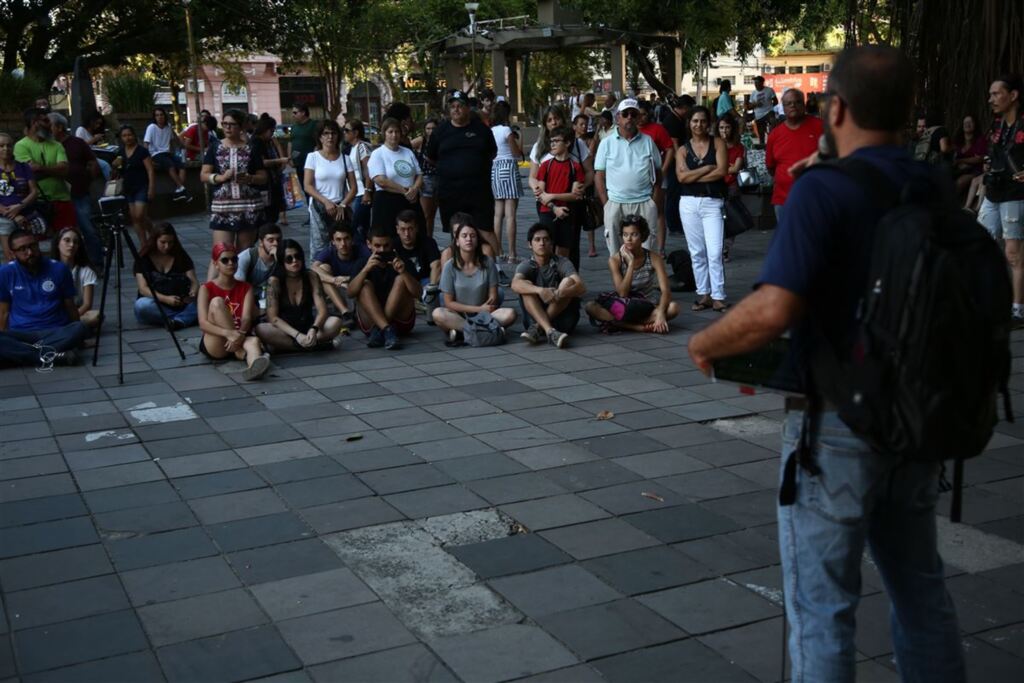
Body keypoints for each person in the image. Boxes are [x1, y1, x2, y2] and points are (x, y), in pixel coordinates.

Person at [688, 45, 968, 682]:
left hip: (838, 423)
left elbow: (773, 308)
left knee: (821, 606)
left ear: (834, 107)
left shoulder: (823, 189)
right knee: (921, 590)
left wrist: (705, 344)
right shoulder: (934, 185)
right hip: (920, 415)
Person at [425, 90, 499, 255]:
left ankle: (497, 268)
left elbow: (492, 153)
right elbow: (431, 158)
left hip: (479, 192)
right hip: (450, 192)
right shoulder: (440, 132)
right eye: (453, 106)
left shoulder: (482, 130)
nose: (456, 109)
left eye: (460, 106)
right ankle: (460, 267)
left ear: (468, 109)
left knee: (485, 230)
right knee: (457, 231)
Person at [0, 229, 87, 367]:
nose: (30, 252)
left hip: (54, 330)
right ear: (12, 253)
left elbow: (70, 306)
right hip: (22, 333)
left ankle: (21, 354)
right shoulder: (5, 273)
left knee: (79, 328)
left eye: (32, 246)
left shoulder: (59, 269)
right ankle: (49, 357)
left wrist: (80, 340)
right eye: (22, 249)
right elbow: (4, 311)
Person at [978, 74, 1024, 326]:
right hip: (993, 192)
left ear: (1013, 95)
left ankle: (1018, 310)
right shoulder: (997, 126)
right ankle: (988, 299)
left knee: (1014, 253)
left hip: (1015, 195)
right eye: (991, 94)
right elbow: (991, 154)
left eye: (996, 94)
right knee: (980, 243)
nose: (991, 99)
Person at [201, 109, 268, 278]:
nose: (228, 128)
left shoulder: (251, 149)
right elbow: (203, 174)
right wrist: (220, 177)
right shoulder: (215, 147)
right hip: (223, 206)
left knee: (243, 253)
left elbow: (263, 176)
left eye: (232, 124)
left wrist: (250, 178)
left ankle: (238, 292)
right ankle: (210, 292)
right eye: (225, 124)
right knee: (220, 251)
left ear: (241, 127)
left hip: (248, 206)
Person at [584, 215, 679, 333]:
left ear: (642, 236)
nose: (629, 239)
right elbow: (622, 293)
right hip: (624, 307)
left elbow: (665, 291)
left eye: (634, 234)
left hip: (646, 306)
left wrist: (660, 314)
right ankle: (637, 327)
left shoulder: (654, 258)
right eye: (625, 235)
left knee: (673, 308)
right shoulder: (615, 260)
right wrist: (631, 264)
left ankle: (622, 324)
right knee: (590, 307)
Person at [678, 106, 729, 313]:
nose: (699, 125)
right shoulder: (682, 149)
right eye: (695, 121)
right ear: (689, 123)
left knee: (715, 251)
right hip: (688, 202)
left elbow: (722, 171)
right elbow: (681, 178)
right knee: (697, 251)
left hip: (712, 202)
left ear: (708, 123)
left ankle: (718, 295)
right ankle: (704, 294)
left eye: (702, 121)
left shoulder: (717, 143)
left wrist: (694, 175)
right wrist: (706, 169)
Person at [594, 99, 661, 255]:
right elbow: (599, 176)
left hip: (644, 202)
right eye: (625, 114)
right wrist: (606, 205)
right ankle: (620, 280)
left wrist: (654, 203)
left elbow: (658, 173)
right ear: (618, 118)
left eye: (633, 114)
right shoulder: (606, 143)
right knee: (616, 252)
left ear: (638, 118)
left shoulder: (648, 141)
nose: (629, 117)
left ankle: (646, 280)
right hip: (616, 203)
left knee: (647, 250)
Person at [432, 221, 516, 343]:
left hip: (485, 315)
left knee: (510, 314)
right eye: (464, 236)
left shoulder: (488, 262)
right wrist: (478, 309)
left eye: (472, 236)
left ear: (477, 240)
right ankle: (486, 331)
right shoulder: (450, 266)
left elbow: (493, 296)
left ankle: (464, 333)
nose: (469, 239)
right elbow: (449, 303)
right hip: (460, 316)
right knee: (438, 313)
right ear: (457, 241)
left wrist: (483, 310)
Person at [198, 242, 270, 380]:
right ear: (216, 264)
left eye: (234, 259)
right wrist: (229, 333)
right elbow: (203, 324)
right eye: (225, 260)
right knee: (217, 302)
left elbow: (246, 318)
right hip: (217, 339)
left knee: (253, 341)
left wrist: (239, 336)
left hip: (240, 336)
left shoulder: (246, 287)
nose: (231, 263)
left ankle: (254, 367)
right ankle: (244, 352)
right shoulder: (206, 288)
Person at [256, 239, 343, 352]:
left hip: (308, 327)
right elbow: (273, 318)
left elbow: (322, 311)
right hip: (286, 330)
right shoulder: (274, 281)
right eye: (289, 259)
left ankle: (293, 346)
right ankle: (314, 345)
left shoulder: (311, 276)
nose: (294, 261)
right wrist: (297, 335)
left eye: (298, 256)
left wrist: (314, 329)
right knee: (261, 329)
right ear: (282, 261)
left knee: (336, 322)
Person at [511, 223, 586, 348]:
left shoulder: (562, 262)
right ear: (530, 244)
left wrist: (558, 293)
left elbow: (581, 287)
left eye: (546, 239)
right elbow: (514, 284)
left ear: (551, 243)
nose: (542, 243)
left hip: (562, 321)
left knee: (568, 283)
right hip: (533, 318)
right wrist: (540, 291)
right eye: (537, 240)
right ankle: (551, 332)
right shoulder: (526, 265)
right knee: (525, 286)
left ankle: (540, 328)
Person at [348, 226, 421, 350]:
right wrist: (365, 270)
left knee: (400, 279)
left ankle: (381, 327)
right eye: (377, 246)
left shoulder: (403, 261)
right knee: (364, 284)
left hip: (399, 320)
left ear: (391, 244)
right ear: (369, 244)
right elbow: (350, 293)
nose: (382, 250)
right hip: (370, 322)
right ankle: (387, 329)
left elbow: (419, 293)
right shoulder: (362, 263)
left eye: (386, 246)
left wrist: (404, 273)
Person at [50, 114, 104, 268]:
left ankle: (96, 262)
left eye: (50, 125)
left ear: (59, 127)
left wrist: (89, 178)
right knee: (61, 233)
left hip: (79, 193)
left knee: (88, 228)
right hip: (58, 196)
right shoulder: (48, 145)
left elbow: (92, 161)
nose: (47, 128)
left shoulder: (77, 143)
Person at [765, 89, 824, 222]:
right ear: (783, 108)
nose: (793, 106)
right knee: (789, 241)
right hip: (783, 200)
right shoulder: (775, 134)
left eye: (797, 102)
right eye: (788, 103)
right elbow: (770, 167)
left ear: (803, 105)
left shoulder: (820, 127)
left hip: (816, 199)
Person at [14, 107, 76, 233]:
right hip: (37, 203)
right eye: (45, 121)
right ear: (34, 123)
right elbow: (30, 173)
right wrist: (54, 171)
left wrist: (41, 168)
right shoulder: (21, 146)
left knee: (68, 237)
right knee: (39, 243)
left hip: (62, 200)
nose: (49, 125)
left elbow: (64, 169)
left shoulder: (57, 145)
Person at [304, 119, 356, 257]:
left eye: (333, 133)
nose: (330, 137)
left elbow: (354, 188)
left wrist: (343, 204)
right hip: (319, 207)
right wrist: (325, 201)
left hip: (340, 208)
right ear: (320, 137)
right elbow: (307, 185)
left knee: (342, 245)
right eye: (325, 133)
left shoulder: (345, 159)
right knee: (319, 246)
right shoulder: (312, 157)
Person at [133, 222, 199, 330]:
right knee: (141, 305)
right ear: (155, 240)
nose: (167, 246)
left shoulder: (180, 255)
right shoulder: (143, 258)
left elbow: (194, 281)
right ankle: (186, 317)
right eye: (163, 242)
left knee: (205, 298)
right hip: (157, 303)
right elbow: (143, 289)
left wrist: (193, 291)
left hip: (180, 302)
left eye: (170, 243)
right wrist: (166, 299)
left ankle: (178, 321)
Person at [536, 127, 585, 267]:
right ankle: (547, 282)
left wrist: (552, 196)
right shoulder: (546, 165)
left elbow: (576, 196)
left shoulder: (575, 167)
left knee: (563, 252)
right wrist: (554, 207)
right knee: (545, 250)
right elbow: (541, 194)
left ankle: (561, 284)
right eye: (551, 141)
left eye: (556, 141)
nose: (552, 144)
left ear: (568, 143)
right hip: (547, 212)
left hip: (567, 213)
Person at [368, 117, 424, 238]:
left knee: (415, 236)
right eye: (390, 132)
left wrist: (414, 189)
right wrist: (405, 191)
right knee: (388, 237)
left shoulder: (408, 152)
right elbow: (381, 181)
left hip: (410, 199)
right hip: (387, 201)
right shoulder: (378, 154)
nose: (394, 135)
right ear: (384, 134)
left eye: (397, 132)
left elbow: (419, 174)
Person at [312, 222, 369, 322]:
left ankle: (348, 312)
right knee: (323, 268)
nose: (343, 244)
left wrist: (347, 279)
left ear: (352, 239)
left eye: (346, 238)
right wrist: (334, 280)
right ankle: (345, 311)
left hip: (355, 287)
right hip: (336, 287)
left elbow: (372, 268)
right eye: (338, 240)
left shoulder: (361, 249)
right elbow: (313, 268)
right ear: (333, 242)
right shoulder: (329, 251)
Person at [638, 100, 675, 251]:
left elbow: (670, 149)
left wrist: (664, 169)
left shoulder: (657, 129)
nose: (641, 118)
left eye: (644, 114)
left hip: (656, 175)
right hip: (637, 178)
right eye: (638, 114)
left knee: (658, 211)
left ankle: (660, 248)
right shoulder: (629, 129)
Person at [0, 132, 43, 262]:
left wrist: (19, 207)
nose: (5, 149)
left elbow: (34, 191)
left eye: (9, 145)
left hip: (26, 215)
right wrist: (12, 214)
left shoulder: (23, 167)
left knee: (31, 253)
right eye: (1, 146)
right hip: (4, 218)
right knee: (11, 256)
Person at [490, 100, 523, 262]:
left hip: (495, 169)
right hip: (508, 167)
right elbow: (516, 153)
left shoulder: (491, 131)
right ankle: (512, 253)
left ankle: (498, 251)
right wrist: (520, 138)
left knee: (498, 214)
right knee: (510, 215)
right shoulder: (506, 130)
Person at [113, 124, 155, 244]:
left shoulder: (142, 151)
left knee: (140, 214)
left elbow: (150, 170)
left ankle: (153, 232)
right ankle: (143, 243)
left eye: (130, 135)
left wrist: (151, 188)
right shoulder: (120, 152)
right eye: (124, 136)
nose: (128, 138)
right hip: (128, 187)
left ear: (134, 136)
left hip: (142, 186)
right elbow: (117, 171)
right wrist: (115, 165)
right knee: (135, 218)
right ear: (121, 138)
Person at [52, 227, 99, 328]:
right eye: (67, 240)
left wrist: (72, 317)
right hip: (55, 313)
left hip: (77, 313)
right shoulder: (49, 269)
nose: (72, 245)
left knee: (96, 316)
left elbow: (87, 304)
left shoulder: (86, 271)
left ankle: (68, 327)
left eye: (76, 242)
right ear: (57, 243)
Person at [143, 107, 190, 202]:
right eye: (157, 115)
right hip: (155, 154)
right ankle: (183, 189)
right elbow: (145, 144)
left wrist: (180, 148)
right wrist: (148, 159)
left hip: (167, 153)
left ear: (165, 116)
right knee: (170, 165)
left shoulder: (168, 127)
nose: (159, 117)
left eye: (161, 115)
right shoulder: (151, 127)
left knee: (182, 165)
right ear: (154, 117)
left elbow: (173, 140)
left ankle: (179, 190)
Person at [719, 113, 746, 262]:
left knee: (730, 220)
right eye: (722, 127)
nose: (724, 131)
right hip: (715, 185)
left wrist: (720, 167)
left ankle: (726, 249)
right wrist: (726, 167)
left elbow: (736, 168)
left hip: (731, 186)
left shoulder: (738, 147)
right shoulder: (714, 144)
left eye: (727, 127)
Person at [252, 115, 289, 227]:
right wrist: (280, 160)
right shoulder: (257, 142)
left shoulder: (267, 141)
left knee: (274, 208)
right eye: (271, 131)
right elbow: (262, 162)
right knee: (269, 211)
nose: (272, 134)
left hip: (272, 178)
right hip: (265, 182)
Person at [394, 208, 441, 294]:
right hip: (404, 282)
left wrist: (431, 290)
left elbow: (436, 265)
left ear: (416, 228)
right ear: (397, 229)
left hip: (426, 281)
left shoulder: (428, 242)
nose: (407, 234)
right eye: (403, 229)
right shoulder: (393, 246)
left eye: (410, 229)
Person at [236, 222, 282, 309]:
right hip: (250, 303)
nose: (276, 243)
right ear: (261, 242)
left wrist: (279, 260)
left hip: (273, 303)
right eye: (270, 240)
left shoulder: (284, 257)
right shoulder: (247, 257)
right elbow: (239, 287)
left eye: (278, 240)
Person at [344, 118, 374, 239]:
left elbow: (368, 171)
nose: (344, 133)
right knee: (362, 227)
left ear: (356, 133)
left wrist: (367, 192)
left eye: (346, 130)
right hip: (356, 193)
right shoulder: (352, 148)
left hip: (362, 193)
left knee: (356, 227)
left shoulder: (362, 147)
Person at [412, 116, 440, 233]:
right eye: (428, 128)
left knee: (433, 213)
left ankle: (430, 239)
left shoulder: (440, 140)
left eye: (433, 128)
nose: (431, 131)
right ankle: (425, 239)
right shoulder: (421, 140)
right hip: (426, 178)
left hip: (438, 178)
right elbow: (407, 147)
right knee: (426, 214)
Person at [952, 114, 987, 197]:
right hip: (958, 169)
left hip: (975, 170)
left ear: (975, 124)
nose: (968, 124)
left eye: (970, 122)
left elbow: (979, 159)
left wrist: (961, 161)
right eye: (965, 122)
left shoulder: (980, 140)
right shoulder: (958, 140)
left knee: (960, 182)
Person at [748, 75, 778, 145]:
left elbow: (775, 101)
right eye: (755, 83)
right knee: (761, 132)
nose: (756, 85)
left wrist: (772, 109)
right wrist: (755, 104)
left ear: (762, 83)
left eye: (757, 83)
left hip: (768, 111)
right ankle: (762, 145)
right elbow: (749, 106)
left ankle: (772, 137)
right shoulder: (753, 93)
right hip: (758, 115)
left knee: (772, 120)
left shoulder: (769, 90)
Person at [288, 104, 317, 173]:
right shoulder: (293, 127)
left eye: (295, 112)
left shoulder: (314, 125)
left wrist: (314, 159)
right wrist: (290, 158)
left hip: (310, 164)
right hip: (296, 164)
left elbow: (318, 143)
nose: (293, 115)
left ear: (303, 113)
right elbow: (290, 143)